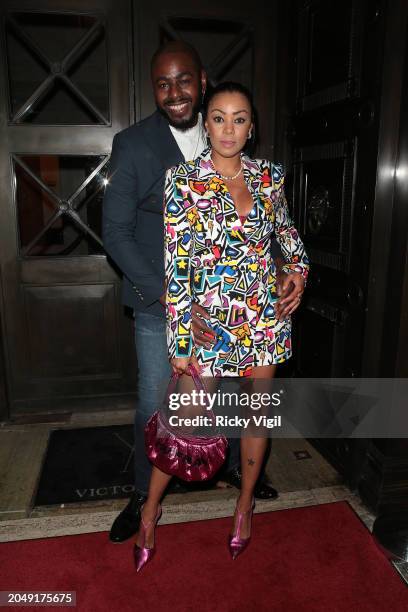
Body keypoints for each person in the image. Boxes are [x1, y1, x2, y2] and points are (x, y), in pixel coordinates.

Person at [103, 43, 290, 544]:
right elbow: (116, 232)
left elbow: (274, 233)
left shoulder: (264, 173)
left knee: (240, 403)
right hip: (160, 297)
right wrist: (176, 308)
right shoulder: (136, 145)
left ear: (202, 82)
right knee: (158, 404)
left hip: (248, 314)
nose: (174, 92)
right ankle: (146, 498)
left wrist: (292, 268)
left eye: (183, 80)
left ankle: (234, 475)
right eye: (163, 84)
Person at [133, 81, 309, 572]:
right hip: (208, 323)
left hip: (265, 319)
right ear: (205, 123)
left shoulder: (270, 177)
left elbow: (288, 234)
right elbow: (176, 265)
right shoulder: (182, 180)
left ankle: (244, 503)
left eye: (239, 119)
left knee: (256, 420)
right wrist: (180, 339)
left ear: (252, 128)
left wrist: (297, 269)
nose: (228, 128)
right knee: (181, 423)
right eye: (218, 117)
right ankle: (150, 511)